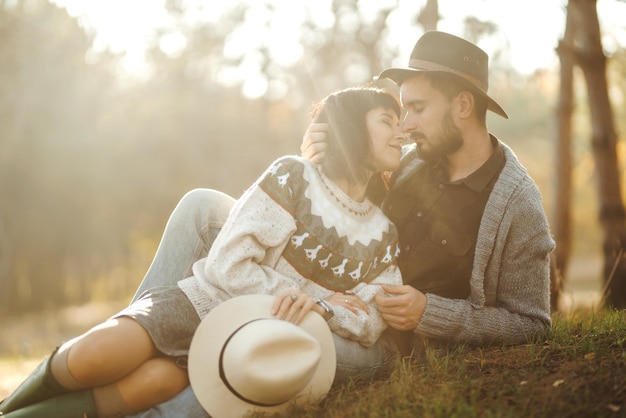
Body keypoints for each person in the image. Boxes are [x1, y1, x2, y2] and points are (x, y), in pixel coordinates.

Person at [121, 30, 556, 418]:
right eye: (402, 112)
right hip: (326, 281)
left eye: (418, 109)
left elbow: (531, 322)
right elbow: (348, 212)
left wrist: (430, 313)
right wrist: (318, 169)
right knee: (201, 208)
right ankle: (126, 341)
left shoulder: (516, 203)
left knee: (277, 337)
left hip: (378, 336)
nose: (405, 125)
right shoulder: (411, 163)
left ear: (463, 105)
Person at [0, 86, 407, 418]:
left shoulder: (384, 233)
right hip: (205, 301)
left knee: (155, 383)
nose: (401, 135)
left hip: (246, 344)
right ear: (352, 125)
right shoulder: (294, 175)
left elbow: (372, 316)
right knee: (95, 354)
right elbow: (229, 261)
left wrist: (324, 310)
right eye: (388, 121)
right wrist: (313, 297)